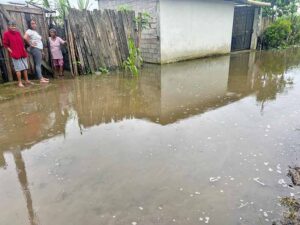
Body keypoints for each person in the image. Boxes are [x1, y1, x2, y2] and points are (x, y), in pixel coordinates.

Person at [2, 20, 32, 87]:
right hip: (15, 54)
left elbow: (21, 42)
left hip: (22, 53)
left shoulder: (18, 33)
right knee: (18, 69)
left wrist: (24, 49)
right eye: (12, 26)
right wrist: (11, 52)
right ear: (9, 26)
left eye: (14, 26)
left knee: (24, 67)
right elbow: (5, 45)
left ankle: (27, 80)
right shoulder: (6, 34)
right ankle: (20, 82)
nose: (13, 27)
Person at [24, 18, 49, 83]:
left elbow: (39, 41)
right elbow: (25, 38)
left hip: (38, 49)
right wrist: (30, 44)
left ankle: (41, 77)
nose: (34, 25)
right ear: (29, 24)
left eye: (35, 23)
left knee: (39, 64)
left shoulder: (34, 32)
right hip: (35, 49)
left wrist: (42, 51)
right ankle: (41, 79)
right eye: (32, 23)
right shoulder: (29, 31)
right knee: (38, 64)